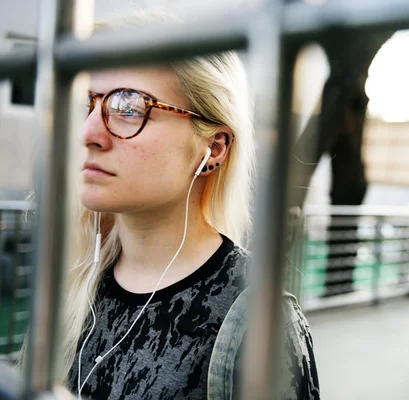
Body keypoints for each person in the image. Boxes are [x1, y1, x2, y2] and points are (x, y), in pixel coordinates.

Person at [36, 12, 320, 400]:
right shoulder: (72, 278)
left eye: (129, 106)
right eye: (86, 103)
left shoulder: (258, 323)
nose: (89, 134)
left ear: (214, 148)